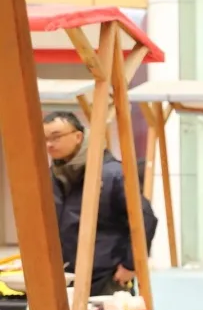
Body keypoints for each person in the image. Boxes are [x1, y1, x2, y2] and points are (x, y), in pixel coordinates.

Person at [45, 111, 158, 297]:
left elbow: (145, 218)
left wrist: (131, 264)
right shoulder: (52, 176)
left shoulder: (112, 174)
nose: (49, 144)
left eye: (56, 137)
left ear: (78, 136)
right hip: (64, 277)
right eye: (46, 138)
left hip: (107, 277)